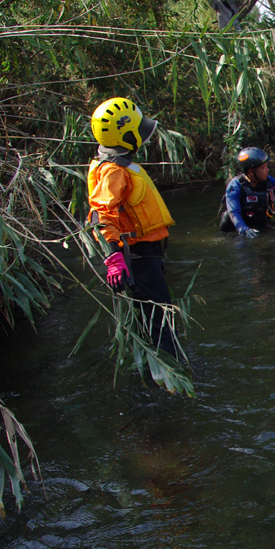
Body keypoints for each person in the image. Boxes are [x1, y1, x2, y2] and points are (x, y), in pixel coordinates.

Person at [87, 97, 178, 358]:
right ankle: (170, 373)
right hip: (135, 256)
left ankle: (161, 369)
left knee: (155, 315)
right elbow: (100, 215)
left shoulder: (119, 165)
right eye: (137, 130)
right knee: (160, 318)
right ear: (125, 136)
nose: (142, 135)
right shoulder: (114, 170)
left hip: (146, 251)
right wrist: (113, 257)